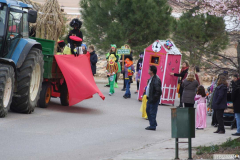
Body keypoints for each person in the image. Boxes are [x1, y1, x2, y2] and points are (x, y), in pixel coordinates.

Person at [145, 65, 162, 131]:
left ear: (151, 71)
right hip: (150, 98)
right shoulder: (151, 78)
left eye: (149, 69)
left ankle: (152, 126)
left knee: (152, 112)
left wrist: (153, 99)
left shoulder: (156, 80)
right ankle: (153, 123)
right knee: (148, 111)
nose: (148, 70)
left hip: (153, 99)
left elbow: (158, 91)